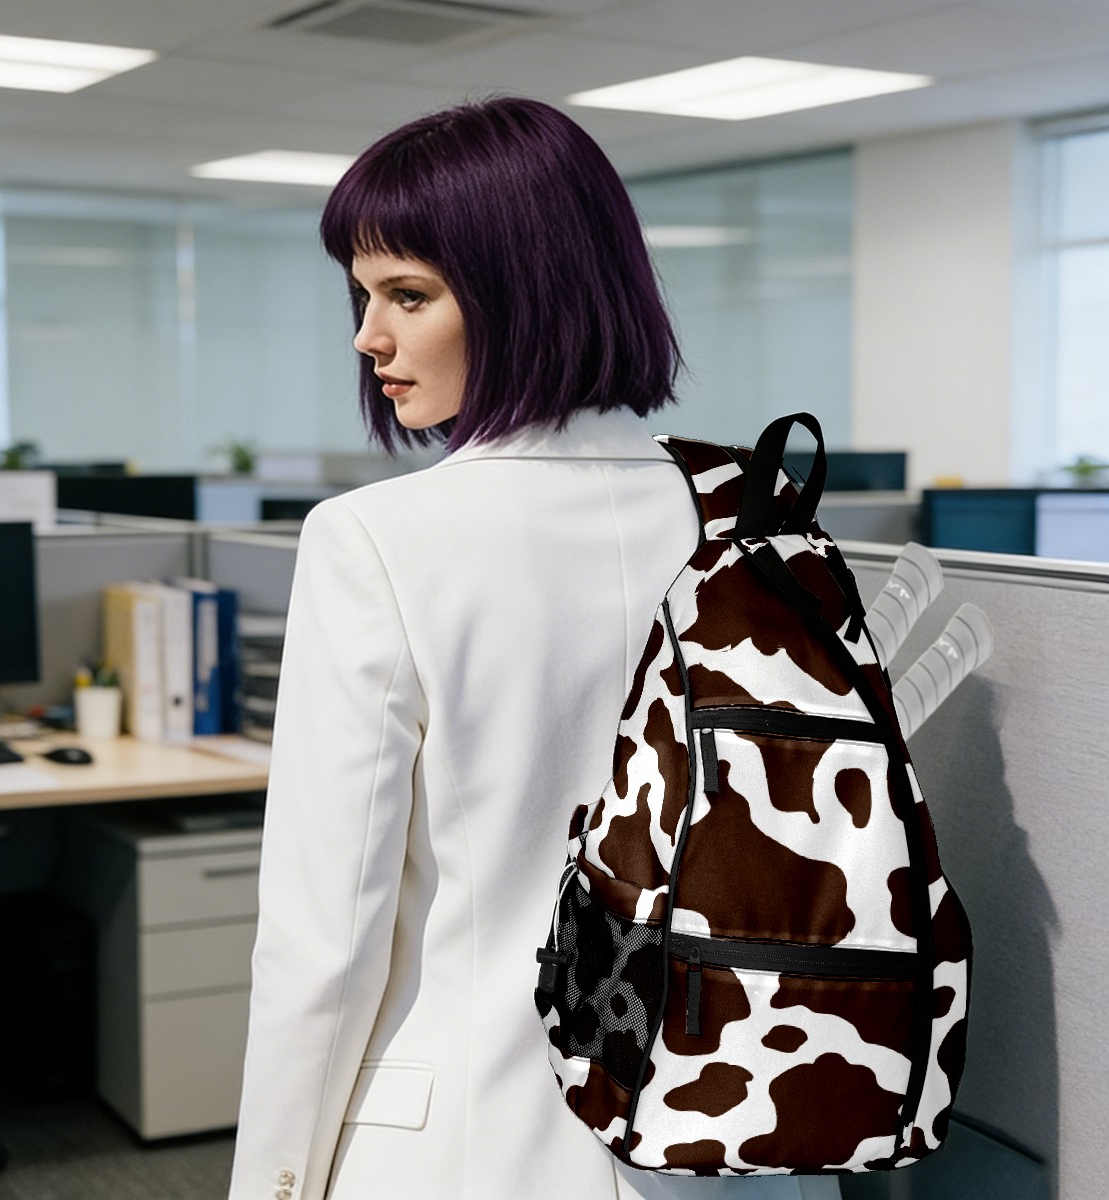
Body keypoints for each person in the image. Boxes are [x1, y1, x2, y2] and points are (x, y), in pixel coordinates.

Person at [228, 97, 842, 1200]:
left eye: (408, 294)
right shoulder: (756, 519)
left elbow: (324, 943)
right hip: (733, 1145)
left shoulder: (376, 540)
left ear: (523, 290)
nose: (368, 337)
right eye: (362, 295)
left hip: (474, 1147)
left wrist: (270, 1186)